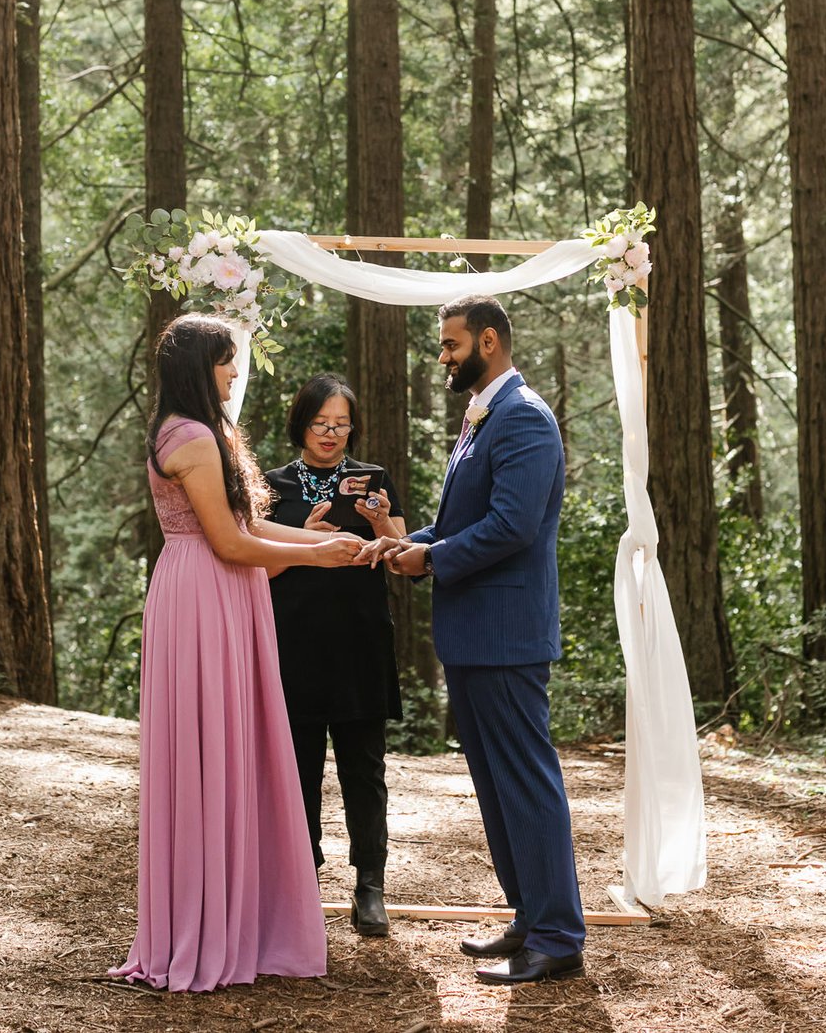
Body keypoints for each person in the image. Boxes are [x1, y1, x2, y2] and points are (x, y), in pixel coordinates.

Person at [110, 315, 363, 993]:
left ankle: (241, 920)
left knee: (235, 748)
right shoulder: (188, 437)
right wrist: (325, 562)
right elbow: (228, 543)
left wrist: (326, 544)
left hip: (224, 592)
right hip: (203, 595)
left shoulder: (206, 431)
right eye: (226, 361)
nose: (234, 372)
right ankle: (204, 927)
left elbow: (252, 526)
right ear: (199, 367)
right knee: (207, 750)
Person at [368, 295, 586, 986]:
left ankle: (558, 937)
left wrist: (430, 560)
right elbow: (464, 519)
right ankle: (530, 914)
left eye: (452, 344)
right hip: (474, 635)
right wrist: (409, 544)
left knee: (526, 782)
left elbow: (512, 526)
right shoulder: (482, 416)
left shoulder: (523, 417)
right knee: (497, 787)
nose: (443, 356)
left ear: (489, 341)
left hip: (507, 634)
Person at [264, 374, 404, 938]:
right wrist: (303, 535)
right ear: (302, 423)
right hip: (294, 642)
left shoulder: (370, 480)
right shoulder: (272, 485)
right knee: (297, 770)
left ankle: (370, 886)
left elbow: (399, 555)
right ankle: (304, 883)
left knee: (365, 770)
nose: (331, 434)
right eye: (322, 423)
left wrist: (378, 521)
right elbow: (261, 564)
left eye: (341, 424)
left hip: (360, 641)